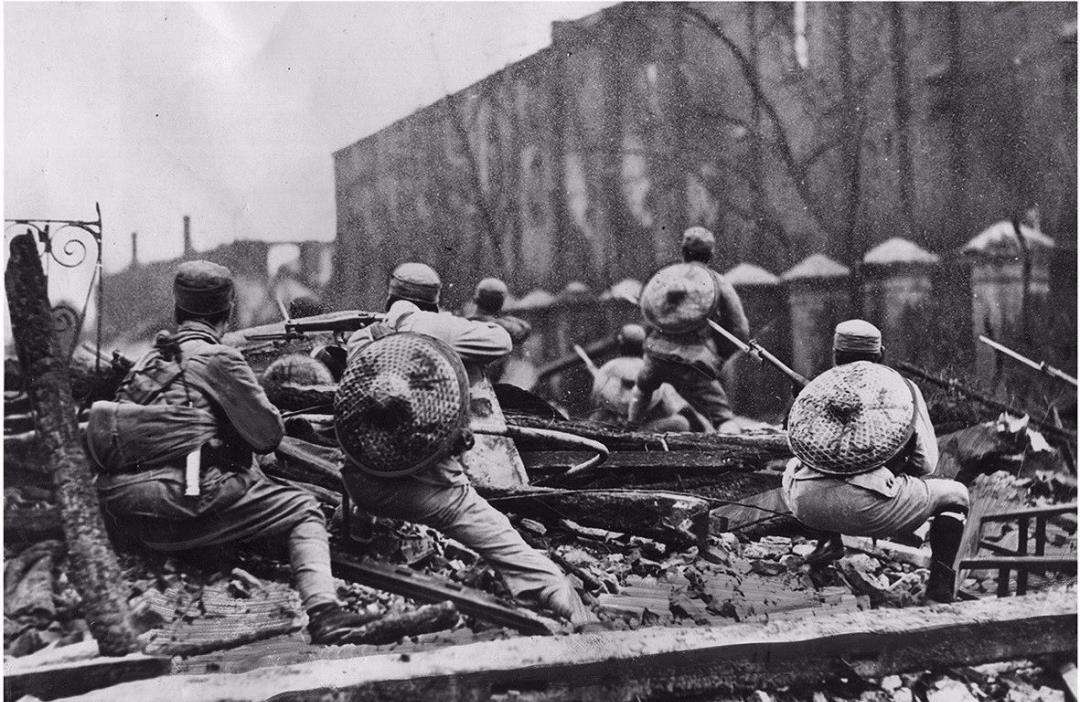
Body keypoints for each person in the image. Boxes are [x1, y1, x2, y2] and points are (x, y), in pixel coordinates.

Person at [87, 261, 382, 645]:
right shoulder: (219, 358)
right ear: (227, 313)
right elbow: (267, 436)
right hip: (181, 505)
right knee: (302, 509)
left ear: (178, 312)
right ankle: (325, 613)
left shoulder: (149, 358)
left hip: (123, 507)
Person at [344, 263, 593, 624]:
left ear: (389, 298)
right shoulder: (440, 327)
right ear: (434, 302)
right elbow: (501, 341)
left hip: (365, 483)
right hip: (434, 487)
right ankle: (555, 594)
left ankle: (358, 532)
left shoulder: (362, 339)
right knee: (490, 530)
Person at [781, 320, 969, 603]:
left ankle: (827, 543)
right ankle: (939, 590)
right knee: (956, 495)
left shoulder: (818, 389)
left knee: (796, 469)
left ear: (835, 354)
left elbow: (796, 444)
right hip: (870, 510)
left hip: (805, 503)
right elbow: (926, 464)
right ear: (880, 354)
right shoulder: (903, 389)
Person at [629, 226, 750, 430]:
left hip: (656, 358)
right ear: (710, 254)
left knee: (641, 390)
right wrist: (718, 356)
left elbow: (649, 319)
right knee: (722, 415)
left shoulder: (665, 278)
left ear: (683, 251)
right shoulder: (718, 282)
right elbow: (740, 330)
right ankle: (732, 451)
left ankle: (629, 430)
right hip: (695, 363)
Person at [589, 324, 712, 433]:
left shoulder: (607, 368)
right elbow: (682, 408)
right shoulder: (649, 369)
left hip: (614, 425)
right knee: (681, 422)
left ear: (620, 343)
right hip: (641, 427)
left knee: (595, 419)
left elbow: (595, 399)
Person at [465, 277, 532, 384]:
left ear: (475, 299)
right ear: (501, 304)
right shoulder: (506, 329)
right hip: (499, 388)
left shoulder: (463, 325)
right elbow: (524, 329)